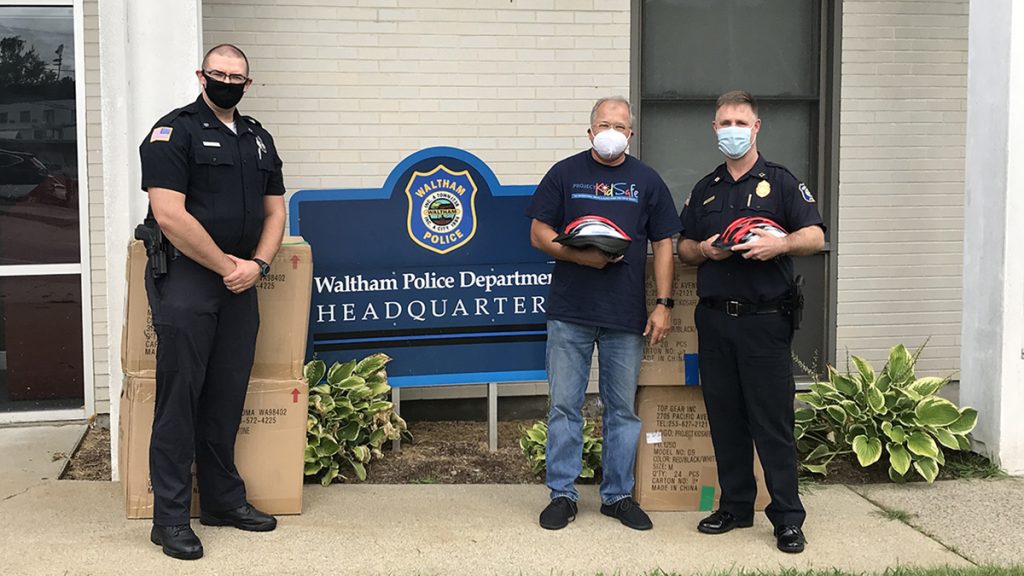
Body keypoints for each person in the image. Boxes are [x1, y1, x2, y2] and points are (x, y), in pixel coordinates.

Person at [138, 44, 286, 560]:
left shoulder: (258, 138)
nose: (227, 81)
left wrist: (259, 266)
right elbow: (170, 215)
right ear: (202, 75)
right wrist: (229, 267)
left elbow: (275, 211)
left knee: (226, 395)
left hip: (242, 282)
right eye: (219, 73)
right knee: (180, 399)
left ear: (248, 84)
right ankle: (170, 518)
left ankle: (222, 502)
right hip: (187, 281)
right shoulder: (172, 132)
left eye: (237, 76)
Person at [677, 90, 825, 553]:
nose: (732, 130)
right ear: (715, 129)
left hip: (765, 321)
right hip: (716, 321)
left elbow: (815, 235)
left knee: (772, 421)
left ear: (756, 127)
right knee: (725, 418)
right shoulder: (706, 189)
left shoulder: (781, 182)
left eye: (740, 122)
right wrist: (704, 250)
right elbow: (683, 247)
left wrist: (778, 245)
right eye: (724, 123)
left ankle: (786, 517)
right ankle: (735, 506)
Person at [527, 96, 681, 531]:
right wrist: (581, 259)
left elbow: (665, 242)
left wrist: (663, 304)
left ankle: (616, 496)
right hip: (570, 311)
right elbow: (539, 232)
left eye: (620, 125)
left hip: (624, 315)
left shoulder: (647, 181)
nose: (611, 131)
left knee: (621, 410)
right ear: (590, 131)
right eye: (603, 124)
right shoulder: (565, 173)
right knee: (563, 406)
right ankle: (562, 494)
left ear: (631, 133)